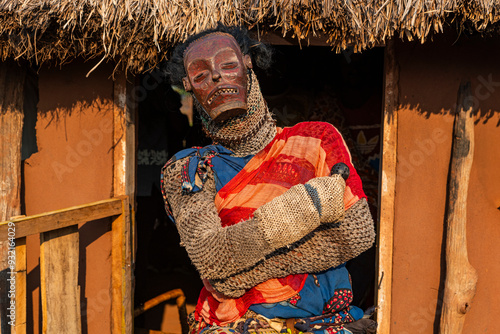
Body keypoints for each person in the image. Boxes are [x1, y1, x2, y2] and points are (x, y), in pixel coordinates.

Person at [161, 24, 376, 334]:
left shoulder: (316, 141)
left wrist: (239, 274)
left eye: (228, 63)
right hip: (233, 326)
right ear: (189, 86)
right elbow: (212, 258)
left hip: (327, 323)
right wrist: (304, 209)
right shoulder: (187, 169)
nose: (217, 76)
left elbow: (356, 233)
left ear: (248, 63)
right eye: (200, 74)